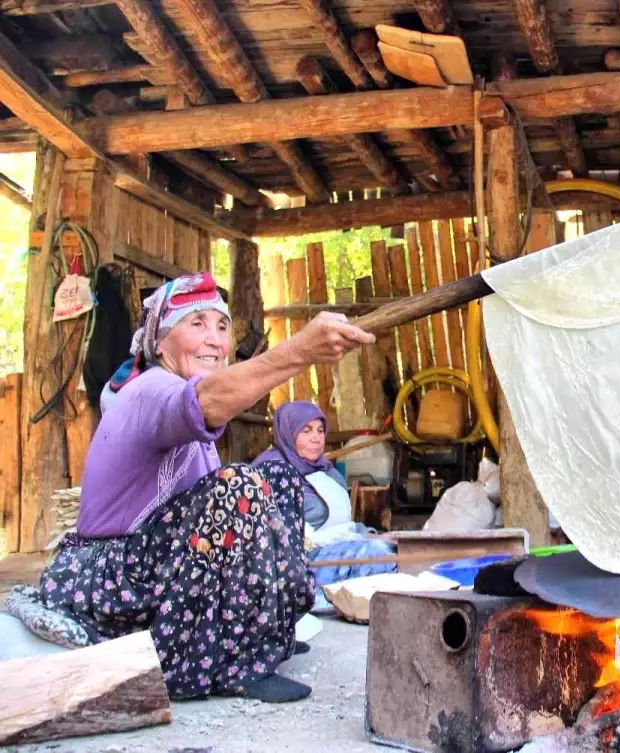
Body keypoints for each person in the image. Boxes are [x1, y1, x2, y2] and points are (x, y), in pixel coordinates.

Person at [26, 273, 374, 704]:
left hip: (153, 570)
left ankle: (263, 637)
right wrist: (300, 351)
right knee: (238, 487)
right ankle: (229, 663)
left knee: (278, 481)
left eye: (222, 327)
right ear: (159, 343)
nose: (215, 340)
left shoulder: (171, 390)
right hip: (111, 578)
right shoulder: (151, 390)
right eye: (196, 324)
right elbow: (205, 401)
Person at [252, 401, 397, 613]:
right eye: (306, 430)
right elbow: (278, 539)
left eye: (320, 430)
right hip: (297, 564)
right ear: (287, 432)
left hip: (334, 551)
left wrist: (367, 534)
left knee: (389, 550)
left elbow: (342, 524)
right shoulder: (271, 472)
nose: (316, 437)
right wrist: (361, 542)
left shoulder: (325, 470)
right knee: (378, 556)